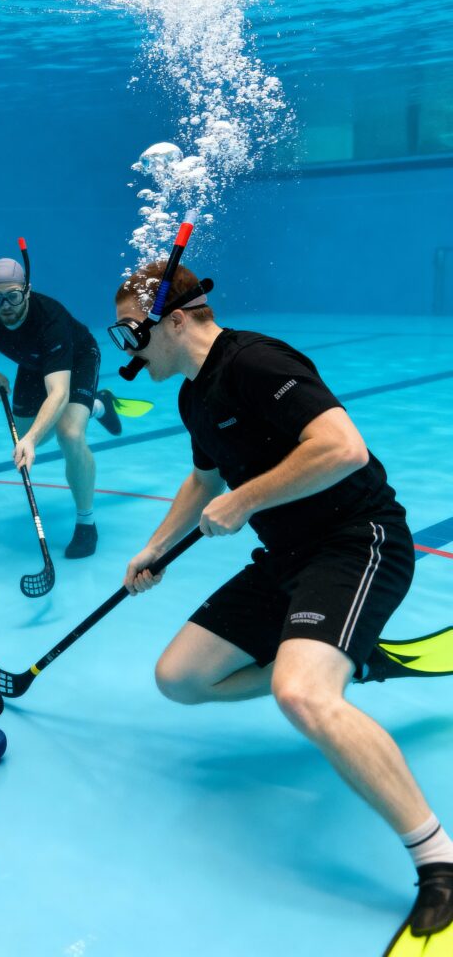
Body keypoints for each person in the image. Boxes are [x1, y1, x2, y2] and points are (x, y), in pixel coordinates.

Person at [111, 260, 453, 938]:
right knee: (180, 679)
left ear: (172, 322)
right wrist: (154, 547)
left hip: (356, 543)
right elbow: (204, 481)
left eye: (129, 332)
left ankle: (437, 858)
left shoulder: (257, 362)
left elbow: (343, 447)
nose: (126, 350)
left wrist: (248, 498)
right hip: (288, 560)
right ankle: (354, 657)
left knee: (302, 694)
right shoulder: (192, 396)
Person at [0, 257, 123, 559]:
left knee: (69, 434)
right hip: (33, 364)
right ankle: (98, 405)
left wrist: (32, 439)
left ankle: (86, 523)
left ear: (27, 290)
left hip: (77, 358)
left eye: (13, 295)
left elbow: (59, 392)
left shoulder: (51, 319)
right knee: (26, 434)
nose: (5, 305)